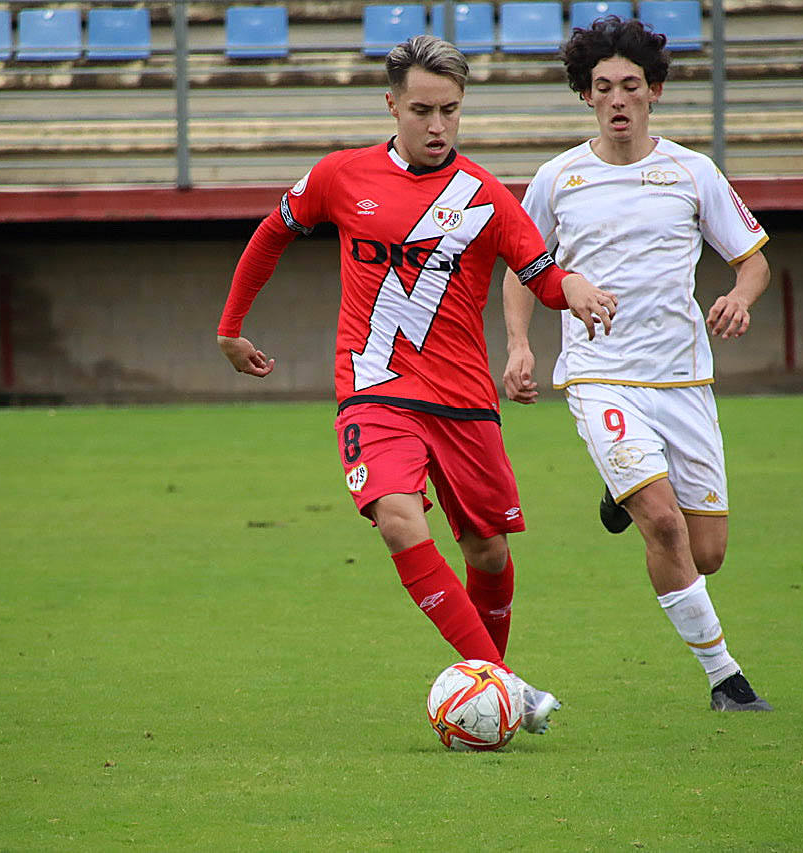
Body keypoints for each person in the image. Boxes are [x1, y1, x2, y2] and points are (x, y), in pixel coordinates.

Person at [217, 35, 618, 733]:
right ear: (392, 104)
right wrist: (231, 326)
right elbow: (272, 232)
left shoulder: (484, 196)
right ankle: (511, 691)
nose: (438, 126)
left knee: (488, 551)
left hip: (464, 401)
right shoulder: (342, 177)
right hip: (373, 390)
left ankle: (489, 684)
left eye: (451, 112)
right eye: (423, 110)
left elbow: (542, 274)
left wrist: (574, 287)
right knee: (399, 522)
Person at [501, 17, 774, 711]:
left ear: (653, 91)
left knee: (706, 551)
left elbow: (753, 259)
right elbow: (522, 266)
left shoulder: (692, 171)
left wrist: (740, 296)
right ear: (585, 96)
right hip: (599, 375)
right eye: (602, 87)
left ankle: (616, 486)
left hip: (683, 379)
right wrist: (522, 345)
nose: (617, 99)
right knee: (663, 524)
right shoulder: (559, 177)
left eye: (630, 85)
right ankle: (726, 679)